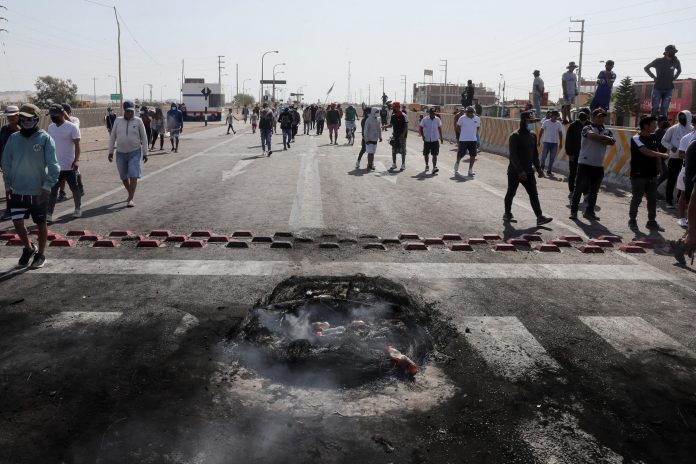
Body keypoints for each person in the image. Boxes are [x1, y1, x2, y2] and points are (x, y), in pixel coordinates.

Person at [1, 103, 60, 268]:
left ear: (36, 119)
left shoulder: (45, 138)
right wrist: (8, 186)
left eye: (29, 119)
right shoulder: (13, 138)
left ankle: (41, 254)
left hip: (38, 192)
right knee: (17, 222)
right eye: (23, 118)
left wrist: (47, 186)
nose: (26, 122)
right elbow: (6, 163)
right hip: (17, 190)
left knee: (41, 223)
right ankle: (28, 248)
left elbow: (54, 166)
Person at [504, 110, 553, 226]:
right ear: (523, 121)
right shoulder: (515, 136)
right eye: (530, 121)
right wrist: (520, 171)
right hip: (515, 171)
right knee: (511, 192)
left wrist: (539, 169)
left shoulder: (533, 135)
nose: (532, 124)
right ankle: (507, 213)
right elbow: (513, 156)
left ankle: (540, 217)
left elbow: (534, 154)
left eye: (533, 122)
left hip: (529, 171)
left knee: (533, 194)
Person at [569, 108, 616, 221]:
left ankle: (589, 212)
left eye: (603, 117)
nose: (601, 119)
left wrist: (602, 138)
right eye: (599, 117)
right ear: (593, 117)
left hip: (598, 165)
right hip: (585, 163)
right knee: (579, 189)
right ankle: (574, 211)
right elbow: (591, 136)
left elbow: (612, 142)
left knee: (594, 191)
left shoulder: (607, 130)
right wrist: (605, 138)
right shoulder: (587, 127)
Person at [629, 115, 670, 230]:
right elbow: (645, 151)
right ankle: (632, 221)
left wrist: (659, 166)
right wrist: (662, 155)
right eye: (653, 125)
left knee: (652, 199)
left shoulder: (653, 137)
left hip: (652, 174)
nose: (655, 127)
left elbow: (655, 151)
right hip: (638, 174)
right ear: (646, 126)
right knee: (637, 198)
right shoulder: (636, 138)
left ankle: (651, 222)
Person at [107, 100, 149, 208]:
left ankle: (130, 199)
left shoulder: (138, 121)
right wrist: (110, 152)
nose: (130, 113)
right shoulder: (118, 120)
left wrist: (145, 153)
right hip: (120, 153)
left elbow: (144, 138)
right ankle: (130, 193)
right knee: (123, 176)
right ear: (124, 111)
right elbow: (113, 136)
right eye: (128, 111)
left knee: (133, 175)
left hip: (135, 152)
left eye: (132, 111)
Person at [46, 104, 81, 221]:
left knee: (74, 188)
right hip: (55, 166)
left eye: (54, 115)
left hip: (69, 165)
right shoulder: (50, 127)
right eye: (51, 115)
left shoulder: (72, 127)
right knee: (53, 191)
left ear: (62, 114)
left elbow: (77, 145)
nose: (52, 117)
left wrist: (76, 160)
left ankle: (77, 209)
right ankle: (49, 214)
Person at [659, 110, 693, 208]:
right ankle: (669, 200)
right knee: (672, 179)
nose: (682, 119)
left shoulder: (692, 129)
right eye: (680, 117)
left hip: (687, 159)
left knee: (684, 180)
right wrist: (671, 147)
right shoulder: (673, 128)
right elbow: (664, 141)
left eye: (684, 117)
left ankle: (680, 199)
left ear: (689, 118)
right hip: (674, 158)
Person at [644, 45, 681, 118]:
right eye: (672, 52)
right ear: (666, 52)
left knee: (664, 108)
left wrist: (674, 77)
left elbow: (679, 70)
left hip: (669, 89)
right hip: (657, 89)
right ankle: (652, 122)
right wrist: (653, 76)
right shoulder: (658, 61)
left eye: (674, 52)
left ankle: (663, 124)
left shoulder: (676, 61)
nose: (674, 53)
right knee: (655, 107)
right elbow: (646, 68)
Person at [0, 106, 21, 220]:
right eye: (8, 116)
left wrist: (18, 129)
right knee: (8, 187)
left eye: (13, 116)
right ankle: (9, 209)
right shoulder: (4, 129)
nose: (10, 118)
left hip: (21, 163)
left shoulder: (24, 128)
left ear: (18, 116)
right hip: (7, 163)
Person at [564, 109, 590, 196]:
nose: (583, 123)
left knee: (585, 174)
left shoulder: (590, 125)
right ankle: (571, 191)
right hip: (574, 154)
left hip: (586, 154)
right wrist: (569, 153)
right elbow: (568, 141)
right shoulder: (573, 126)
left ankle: (585, 193)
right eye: (581, 121)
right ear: (579, 118)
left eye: (584, 121)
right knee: (573, 173)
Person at [455, 106, 481, 177]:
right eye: (467, 112)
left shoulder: (477, 119)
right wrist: (462, 134)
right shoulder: (462, 118)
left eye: (470, 112)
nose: (468, 113)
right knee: (461, 153)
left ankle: (470, 170)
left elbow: (478, 128)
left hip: (473, 140)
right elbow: (458, 127)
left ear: (473, 112)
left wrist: (475, 136)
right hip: (463, 140)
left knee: (473, 155)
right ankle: (457, 162)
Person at [383, 102, 408, 171]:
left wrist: (403, 134)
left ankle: (403, 164)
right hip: (395, 136)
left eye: (394, 107)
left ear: (398, 107)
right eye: (393, 108)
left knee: (403, 150)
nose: (393, 109)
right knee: (394, 150)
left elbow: (406, 126)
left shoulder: (404, 115)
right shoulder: (393, 116)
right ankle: (394, 164)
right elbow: (391, 125)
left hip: (402, 137)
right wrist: (384, 126)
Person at [538, 110, 563, 176]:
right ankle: (542, 167)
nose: (556, 117)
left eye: (556, 116)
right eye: (555, 116)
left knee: (552, 158)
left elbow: (560, 133)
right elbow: (541, 131)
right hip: (546, 142)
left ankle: (549, 170)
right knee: (543, 157)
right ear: (551, 116)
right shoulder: (546, 122)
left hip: (555, 143)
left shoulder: (558, 123)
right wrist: (538, 140)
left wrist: (560, 143)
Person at [419, 107, 443, 173]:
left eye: (434, 113)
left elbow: (439, 128)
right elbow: (421, 128)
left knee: (435, 154)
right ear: (429, 113)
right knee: (426, 154)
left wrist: (441, 138)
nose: (433, 114)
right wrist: (423, 136)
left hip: (435, 140)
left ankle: (434, 167)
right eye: (431, 113)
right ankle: (427, 165)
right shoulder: (425, 119)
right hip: (427, 139)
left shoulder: (437, 119)